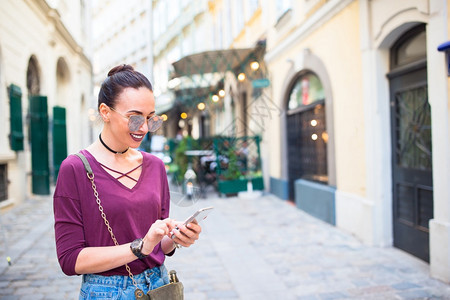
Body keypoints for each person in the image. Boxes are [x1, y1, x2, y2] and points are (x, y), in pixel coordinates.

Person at [53, 64, 201, 299]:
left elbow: (156, 245)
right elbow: (71, 259)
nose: (143, 128)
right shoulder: (76, 169)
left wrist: (174, 237)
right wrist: (139, 246)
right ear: (105, 112)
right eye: (134, 118)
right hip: (105, 292)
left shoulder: (155, 166)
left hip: (160, 285)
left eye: (150, 119)